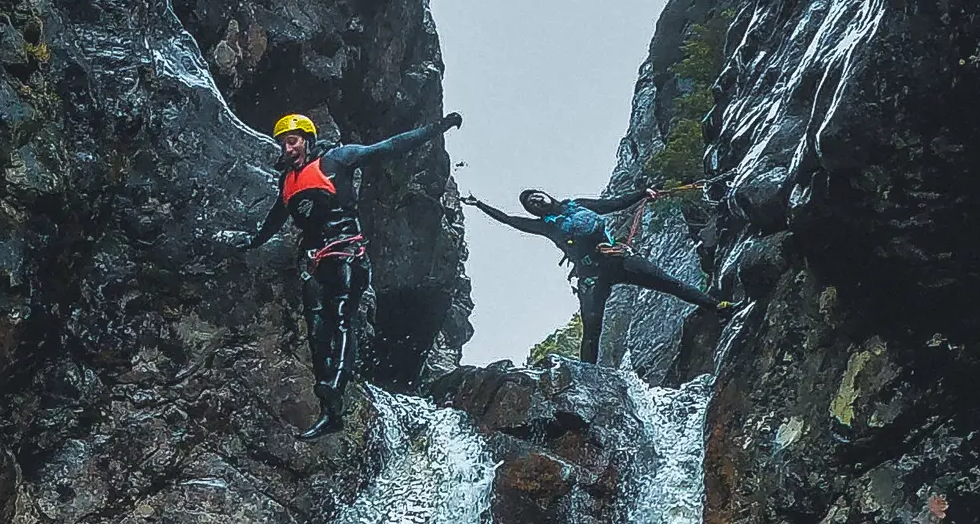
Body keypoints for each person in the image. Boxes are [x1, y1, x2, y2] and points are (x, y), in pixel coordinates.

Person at [230, 110, 461, 437]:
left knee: (340, 316)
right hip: (317, 263)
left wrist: (437, 128)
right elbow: (273, 221)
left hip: (348, 255)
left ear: (307, 141)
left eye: (292, 142)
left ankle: (334, 386)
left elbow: (389, 147)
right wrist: (250, 242)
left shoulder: (337, 159)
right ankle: (331, 413)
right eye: (283, 144)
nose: (287, 149)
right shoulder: (288, 183)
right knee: (316, 331)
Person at [465, 184, 726, 366]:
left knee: (669, 283)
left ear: (545, 194)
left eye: (535, 196)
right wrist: (479, 205)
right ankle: (585, 374)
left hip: (618, 259)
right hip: (591, 275)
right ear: (533, 212)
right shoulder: (544, 227)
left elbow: (611, 204)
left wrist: (642, 193)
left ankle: (718, 306)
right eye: (530, 204)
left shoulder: (578, 205)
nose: (535, 201)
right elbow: (509, 220)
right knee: (591, 324)